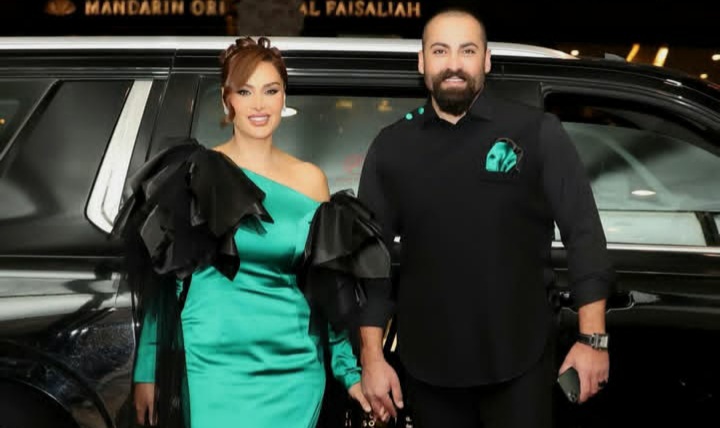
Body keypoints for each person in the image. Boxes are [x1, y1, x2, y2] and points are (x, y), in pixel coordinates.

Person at [356, 7, 615, 428]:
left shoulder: (538, 132)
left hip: (521, 361)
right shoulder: (391, 147)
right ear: (422, 62)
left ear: (486, 60)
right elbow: (370, 262)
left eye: (467, 50)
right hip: (427, 368)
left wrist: (593, 339)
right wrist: (371, 358)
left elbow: (584, 235)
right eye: (440, 51)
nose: (454, 64)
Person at [112, 37, 389, 428]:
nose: (259, 104)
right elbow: (166, 280)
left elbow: (329, 289)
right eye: (245, 91)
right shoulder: (196, 171)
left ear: (283, 98)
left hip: (294, 367)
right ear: (227, 100)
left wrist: (348, 372)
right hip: (212, 362)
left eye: (270, 90)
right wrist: (147, 370)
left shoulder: (311, 181)